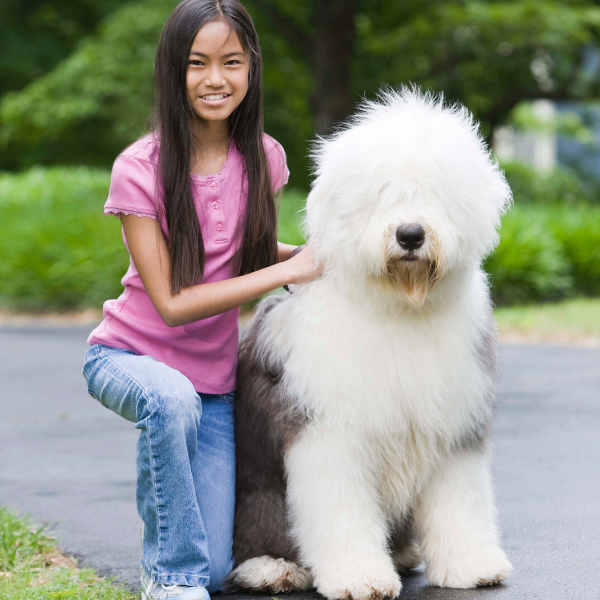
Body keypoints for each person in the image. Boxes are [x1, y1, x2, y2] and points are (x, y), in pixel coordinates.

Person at [81, 1, 322, 599]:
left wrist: (320, 256)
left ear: (251, 69)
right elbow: (173, 302)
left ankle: (178, 561)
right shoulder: (139, 167)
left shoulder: (264, 158)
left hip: (212, 386)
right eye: (197, 64)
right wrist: (287, 269)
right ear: (173, 70)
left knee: (215, 571)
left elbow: (245, 249)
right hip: (129, 358)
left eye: (231, 62)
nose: (215, 79)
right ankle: (166, 578)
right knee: (170, 404)